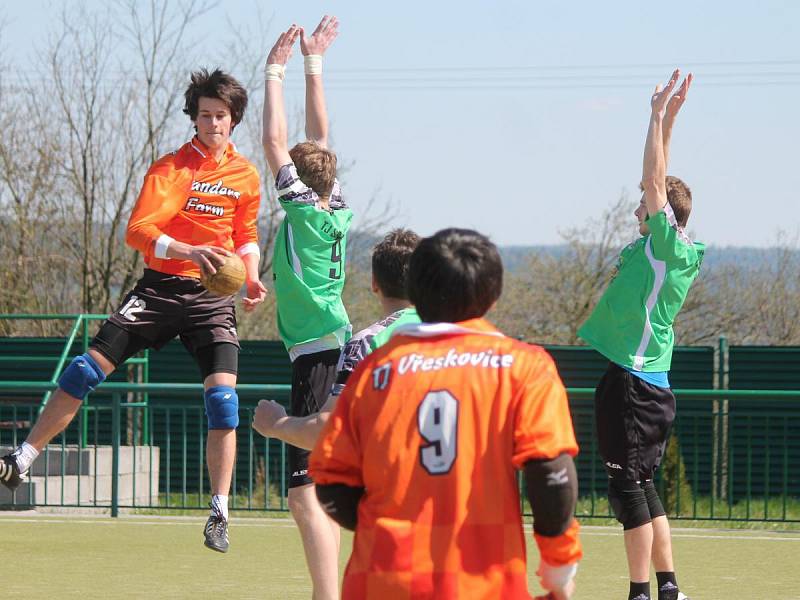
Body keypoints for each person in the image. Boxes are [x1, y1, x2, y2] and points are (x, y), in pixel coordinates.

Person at [0, 69, 266, 553]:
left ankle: (220, 513)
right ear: (194, 117)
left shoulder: (246, 175)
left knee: (224, 403)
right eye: (204, 115)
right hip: (161, 288)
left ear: (234, 120)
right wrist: (190, 252)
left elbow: (246, 235)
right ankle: (23, 458)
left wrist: (250, 275)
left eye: (221, 116)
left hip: (211, 300)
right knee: (84, 371)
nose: (212, 123)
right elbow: (138, 230)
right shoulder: (171, 168)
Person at [310, 228, 583, 600]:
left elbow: (330, 480)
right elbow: (551, 472)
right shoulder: (525, 366)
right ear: (494, 295)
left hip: (380, 581)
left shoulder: (374, 369)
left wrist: (385, 531)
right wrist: (558, 568)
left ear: (416, 293)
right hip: (484, 584)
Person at [578, 69, 701, 600]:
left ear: (660, 213)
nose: (639, 201)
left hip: (634, 384)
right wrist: (669, 122)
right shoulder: (672, 247)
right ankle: (668, 587)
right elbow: (661, 180)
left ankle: (640, 593)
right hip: (646, 380)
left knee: (628, 489)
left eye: (647, 201)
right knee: (646, 487)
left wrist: (653, 116)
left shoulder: (663, 245)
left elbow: (656, 183)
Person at [261, 16, 352, 600]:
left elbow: (275, 141)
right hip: (326, 345)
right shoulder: (336, 205)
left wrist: (276, 69)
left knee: (305, 490)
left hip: (319, 351)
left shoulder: (301, 208)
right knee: (310, 490)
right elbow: (320, 141)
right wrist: (316, 64)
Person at [253, 228, 421, 450]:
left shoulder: (367, 344)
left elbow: (329, 432)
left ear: (374, 283)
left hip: (398, 478)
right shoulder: (464, 336)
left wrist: (276, 424)